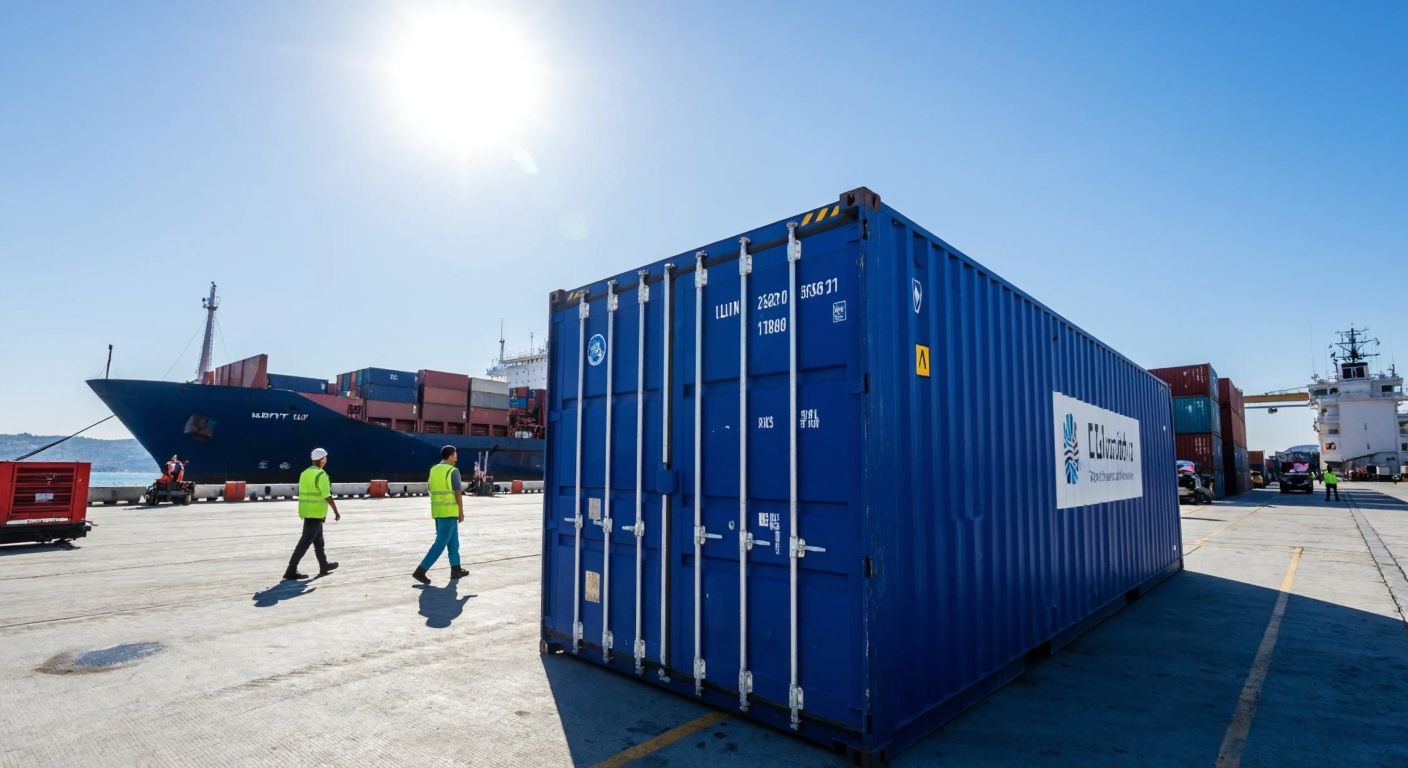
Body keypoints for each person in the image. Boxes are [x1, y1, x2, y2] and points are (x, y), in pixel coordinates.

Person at [412, 445, 467, 584]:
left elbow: (430, 488)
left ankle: (456, 569)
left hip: (438, 512)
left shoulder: (433, 469)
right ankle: (421, 570)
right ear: (449, 456)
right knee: (440, 543)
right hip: (449, 512)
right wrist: (461, 511)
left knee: (454, 542)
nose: (456, 458)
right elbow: (457, 492)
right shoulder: (453, 471)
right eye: (455, 455)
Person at [284, 448, 341, 580]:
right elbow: (327, 495)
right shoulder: (321, 475)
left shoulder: (304, 473)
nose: (326, 460)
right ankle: (291, 570)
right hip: (316, 513)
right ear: (322, 460)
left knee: (319, 542)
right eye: (325, 458)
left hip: (307, 511)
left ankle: (323, 565)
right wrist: (336, 511)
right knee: (304, 543)